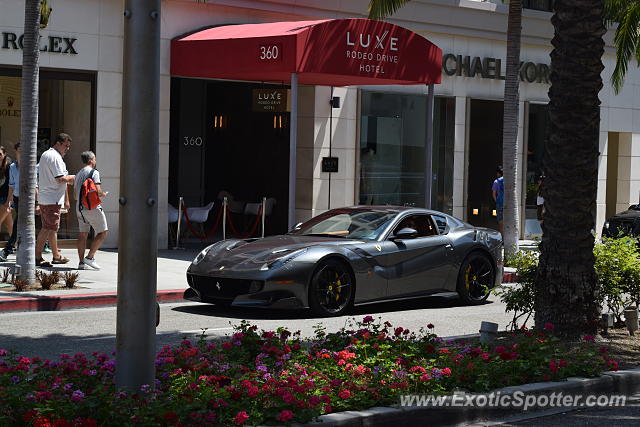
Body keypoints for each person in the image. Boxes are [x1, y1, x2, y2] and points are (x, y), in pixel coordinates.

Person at [35, 133, 75, 267]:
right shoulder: (55, 157)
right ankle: (37, 256)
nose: (67, 149)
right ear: (58, 143)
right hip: (52, 199)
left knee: (51, 229)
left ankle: (56, 256)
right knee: (47, 228)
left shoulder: (46, 154)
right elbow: (60, 179)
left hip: (47, 198)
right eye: (66, 146)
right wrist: (75, 177)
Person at [74, 151, 108, 270]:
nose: (95, 161)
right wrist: (103, 194)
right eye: (95, 159)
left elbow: (74, 195)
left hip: (79, 208)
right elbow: (98, 191)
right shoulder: (94, 172)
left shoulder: (78, 174)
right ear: (91, 160)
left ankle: (81, 263)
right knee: (103, 232)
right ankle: (90, 257)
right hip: (91, 207)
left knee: (83, 234)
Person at [0, 147, 13, 260]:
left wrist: (9, 200)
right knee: (9, 225)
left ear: (4, 154)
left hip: (5, 198)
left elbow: (11, 185)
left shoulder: (9, 166)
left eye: (0, 154)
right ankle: (16, 245)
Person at [492, 166, 504, 235]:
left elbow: (494, 194)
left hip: (499, 202)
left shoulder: (496, 181)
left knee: (500, 221)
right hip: (507, 203)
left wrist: (496, 201)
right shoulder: (507, 180)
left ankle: (501, 238)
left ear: (498, 173)